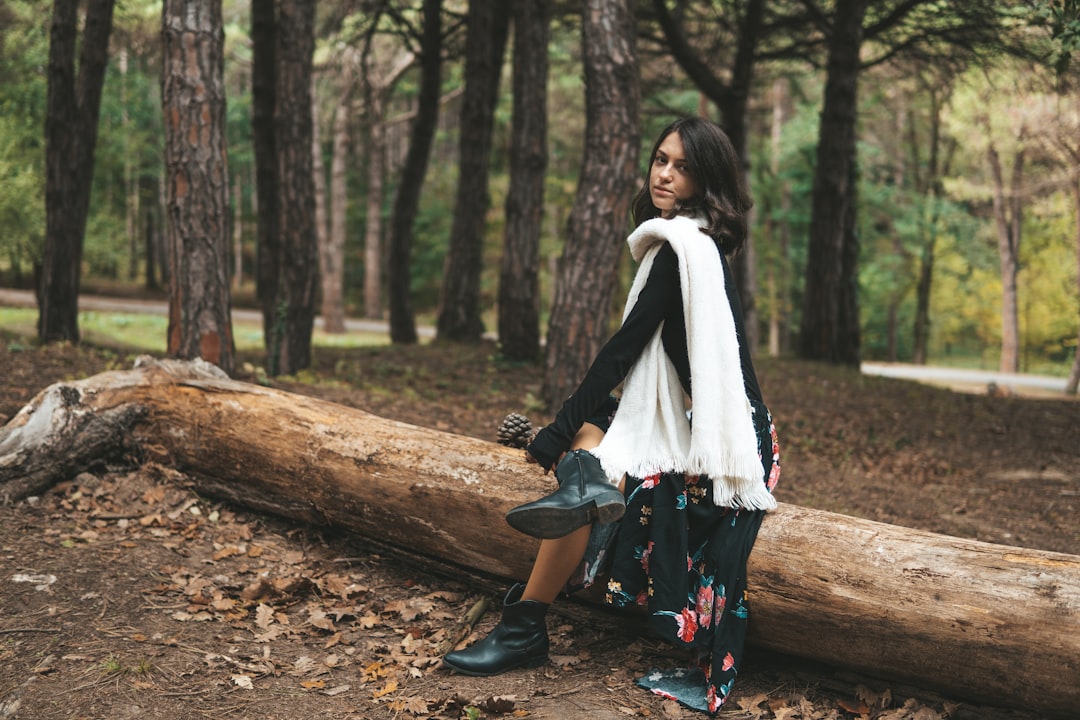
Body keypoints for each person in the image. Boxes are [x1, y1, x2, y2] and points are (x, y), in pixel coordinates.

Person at [442, 117, 781, 714]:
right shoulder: (687, 245)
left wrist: (550, 437)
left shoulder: (683, 253)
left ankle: (526, 623)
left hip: (730, 442)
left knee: (591, 458)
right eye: (659, 160)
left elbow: (621, 352)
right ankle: (582, 491)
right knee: (595, 444)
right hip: (695, 420)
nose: (664, 174)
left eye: (681, 166)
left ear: (705, 179)